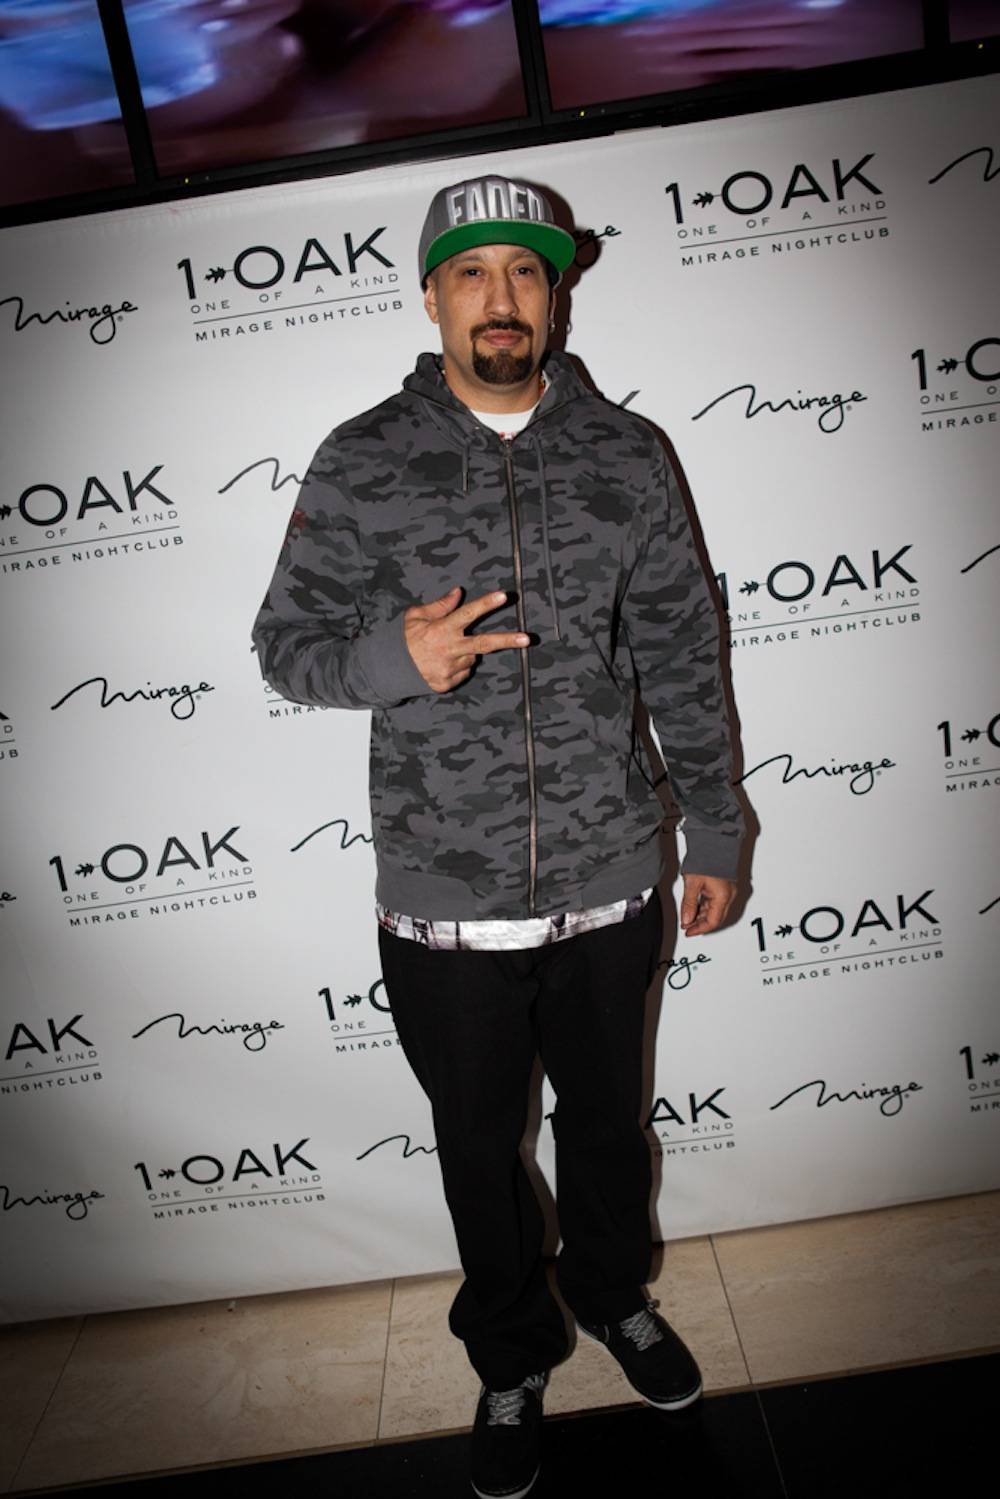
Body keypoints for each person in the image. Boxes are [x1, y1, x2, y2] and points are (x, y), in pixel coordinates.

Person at [253, 172, 742, 1499]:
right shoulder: (362, 457)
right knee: (479, 1148)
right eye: (471, 273)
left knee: (606, 1127)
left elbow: (684, 650)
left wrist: (716, 825)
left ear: (556, 293)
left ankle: (614, 1296)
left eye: (526, 270)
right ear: (433, 298)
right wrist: (393, 660)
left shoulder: (629, 454)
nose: (502, 297)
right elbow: (284, 647)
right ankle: (513, 1354)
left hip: (610, 878)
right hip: (444, 901)